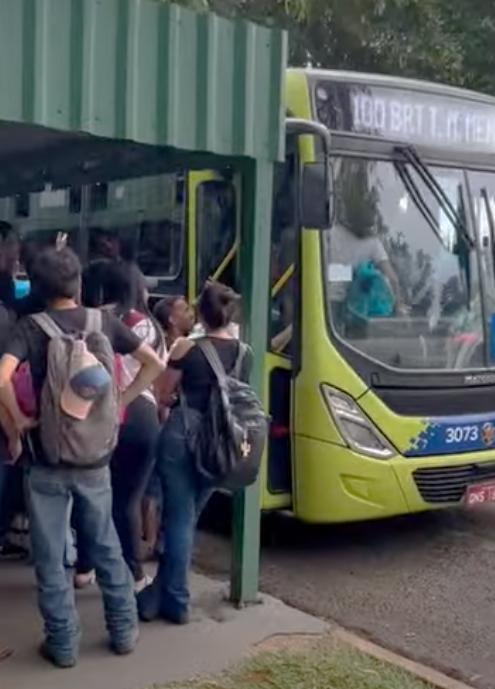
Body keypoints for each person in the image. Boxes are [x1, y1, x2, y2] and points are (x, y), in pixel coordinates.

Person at [0, 247, 164, 668]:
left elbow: (1, 376)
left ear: (37, 288)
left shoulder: (29, 328)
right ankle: (124, 631)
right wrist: (122, 402)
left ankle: (63, 644)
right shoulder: (103, 322)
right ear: (77, 284)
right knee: (107, 544)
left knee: (51, 556)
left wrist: (18, 419)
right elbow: (154, 363)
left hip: (47, 461)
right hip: (95, 460)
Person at [138, 281, 251, 625]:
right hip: (221, 443)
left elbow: (162, 392)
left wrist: (169, 402)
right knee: (189, 518)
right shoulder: (246, 353)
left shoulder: (186, 348)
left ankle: (175, 600)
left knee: (179, 519)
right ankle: (160, 594)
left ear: (201, 313)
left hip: (182, 437)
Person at [82, 259, 165, 591]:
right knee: (128, 500)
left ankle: (85, 567)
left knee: (94, 496)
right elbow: (156, 369)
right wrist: (126, 399)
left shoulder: (97, 318)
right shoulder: (149, 326)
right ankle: (133, 574)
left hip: (98, 416)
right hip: (139, 416)